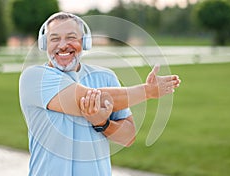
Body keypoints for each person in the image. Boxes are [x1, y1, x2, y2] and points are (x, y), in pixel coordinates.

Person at [19, 12, 180, 176]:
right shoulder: (34, 77)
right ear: (45, 43)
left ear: (85, 42)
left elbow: (128, 137)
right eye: (54, 38)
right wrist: (147, 91)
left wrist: (103, 123)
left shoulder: (105, 77)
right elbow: (90, 99)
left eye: (71, 37)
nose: (62, 45)